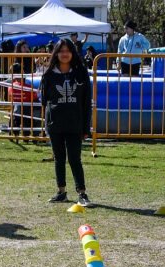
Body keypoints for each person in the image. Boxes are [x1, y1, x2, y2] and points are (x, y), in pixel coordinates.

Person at [39, 39, 92, 207]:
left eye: (67, 50)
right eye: (61, 50)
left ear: (72, 53)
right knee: (59, 158)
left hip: (75, 123)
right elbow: (44, 100)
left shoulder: (81, 73)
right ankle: (61, 192)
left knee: (75, 158)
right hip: (55, 123)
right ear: (56, 53)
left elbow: (86, 102)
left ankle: (82, 193)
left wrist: (85, 127)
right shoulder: (49, 74)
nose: (64, 53)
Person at [8, 62, 40, 138]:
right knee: (38, 107)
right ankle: (36, 133)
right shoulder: (28, 83)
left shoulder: (11, 85)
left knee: (17, 109)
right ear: (22, 71)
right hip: (28, 106)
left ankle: (14, 131)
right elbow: (34, 96)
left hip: (17, 107)